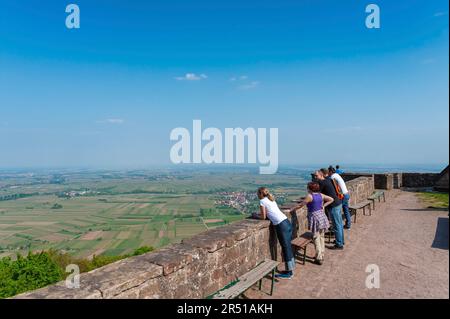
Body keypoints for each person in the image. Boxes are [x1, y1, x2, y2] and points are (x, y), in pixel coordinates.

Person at [291, 182, 334, 265]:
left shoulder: (310, 196)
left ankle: (319, 258)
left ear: (310, 189)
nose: (307, 189)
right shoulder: (321, 195)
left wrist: (292, 209)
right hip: (322, 216)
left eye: (308, 188)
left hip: (315, 218)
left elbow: (301, 205)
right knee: (321, 236)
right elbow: (331, 199)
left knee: (316, 237)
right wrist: (324, 205)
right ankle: (321, 254)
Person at [257, 187, 295, 279]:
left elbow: (263, 217)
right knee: (288, 247)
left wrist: (256, 215)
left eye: (257, 194)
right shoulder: (271, 199)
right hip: (286, 222)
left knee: (286, 248)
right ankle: (290, 268)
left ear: (260, 194)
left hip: (281, 225)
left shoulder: (262, 201)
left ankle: (289, 273)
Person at [314, 169, 345, 249]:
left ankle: (339, 244)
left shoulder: (321, 182)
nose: (315, 177)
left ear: (321, 175)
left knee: (336, 225)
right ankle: (341, 240)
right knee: (339, 224)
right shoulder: (328, 180)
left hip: (333, 205)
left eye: (316, 175)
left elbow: (316, 194)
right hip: (338, 203)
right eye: (314, 175)